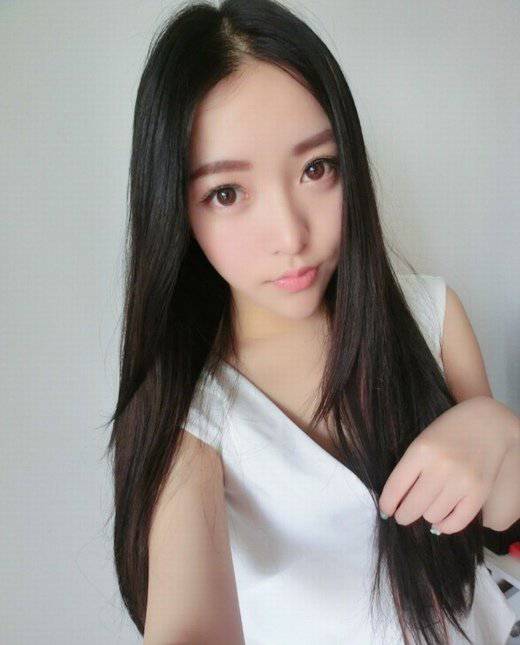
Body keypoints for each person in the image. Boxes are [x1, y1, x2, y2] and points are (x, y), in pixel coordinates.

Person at [105, 1, 518, 643]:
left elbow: (499, 521)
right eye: (227, 193)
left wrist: (499, 430)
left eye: (315, 169)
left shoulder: (430, 316)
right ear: (177, 210)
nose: (291, 235)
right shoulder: (191, 418)